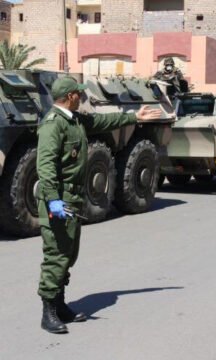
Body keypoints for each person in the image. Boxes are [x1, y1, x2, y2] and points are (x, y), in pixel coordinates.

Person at [36, 76, 162, 334]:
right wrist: (52, 200)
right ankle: (48, 312)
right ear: (70, 96)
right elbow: (45, 166)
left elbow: (103, 121)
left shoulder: (74, 121)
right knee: (56, 255)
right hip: (58, 200)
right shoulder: (53, 125)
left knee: (68, 255)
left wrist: (134, 117)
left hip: (72, 200)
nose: (82, 97)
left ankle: (60, 306)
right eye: (78, 94)